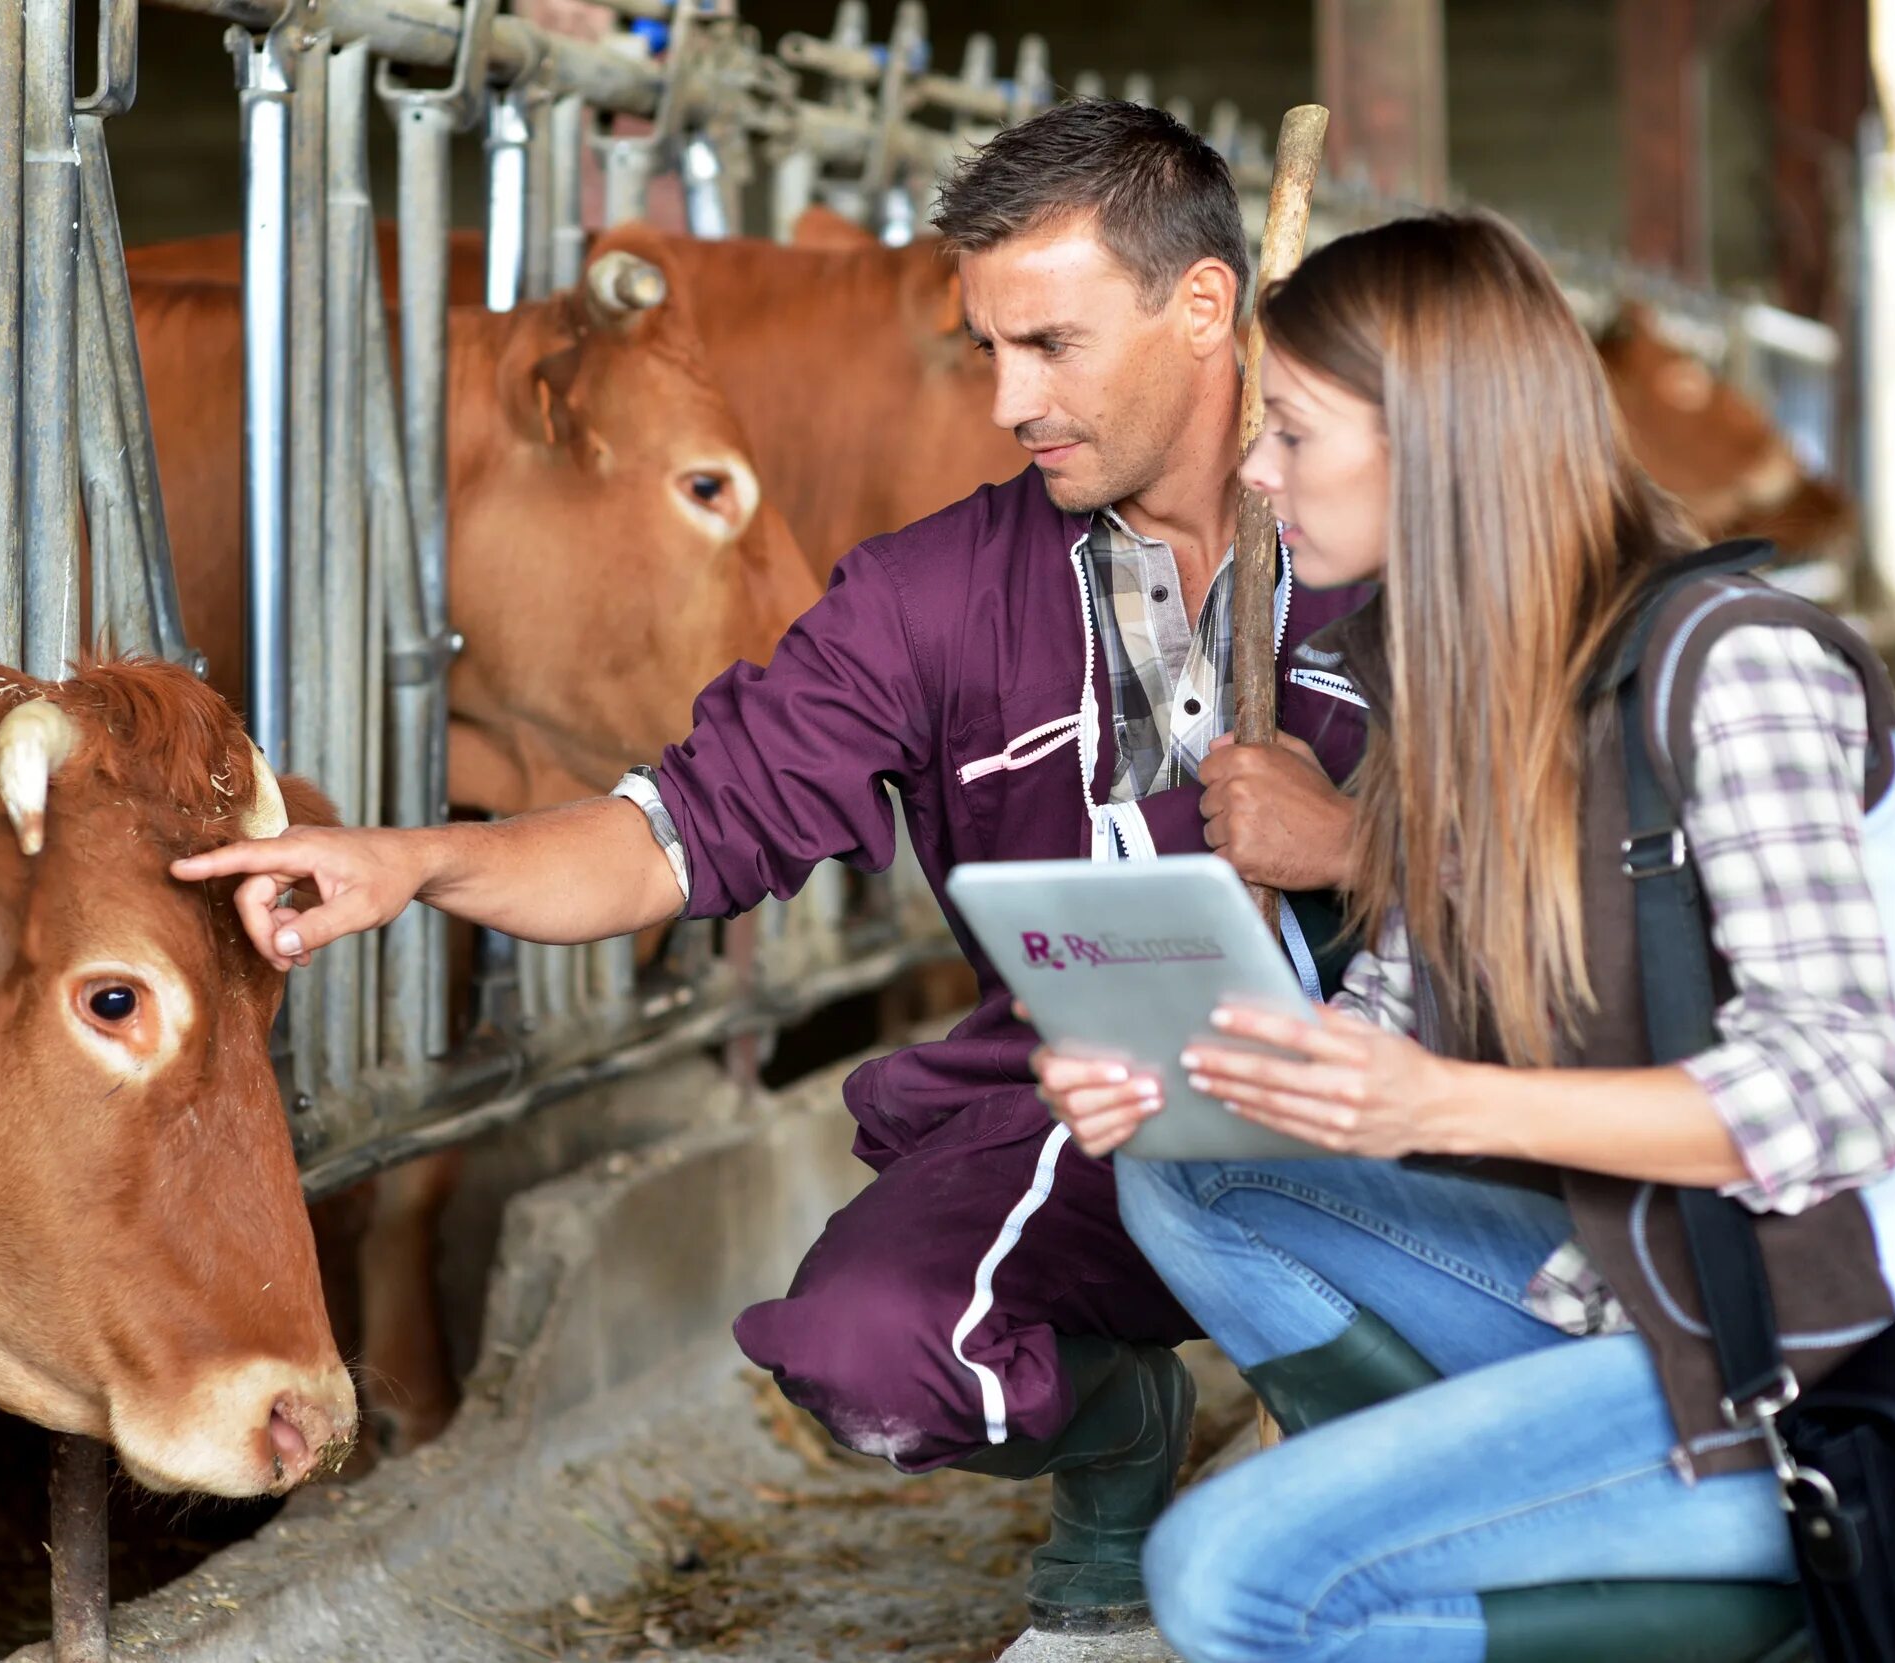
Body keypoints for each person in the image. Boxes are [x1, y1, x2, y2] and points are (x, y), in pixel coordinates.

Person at [175, 100, 1376, 1634]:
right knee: (866, 1350)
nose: (1009, 401)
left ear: (1207, 306)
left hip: (1398, 1089)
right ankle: (1120, 1432)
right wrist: (415, 865)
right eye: (982, 349)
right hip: (1093, 1103)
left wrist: (1350, 844)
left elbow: (1575, 850)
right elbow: (675, 832)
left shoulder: (1380, 531)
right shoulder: (931, 591)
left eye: (1050, 347)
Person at [1033, 211, 1895, 1663]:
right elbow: (1389, 1025)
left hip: (1835, 1355)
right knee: (1196, 1179)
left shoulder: (1732, 667)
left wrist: (1444, 1103)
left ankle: (1535, 1563)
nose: (1250, 470)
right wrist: (1179, 1067)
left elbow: (1834, 1094)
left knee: (1229, 1574)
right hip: (1639, 1287)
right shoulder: (1461, 694)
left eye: (1291, 431)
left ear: (1433, 442)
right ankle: (1468, 1527)